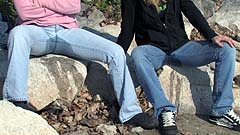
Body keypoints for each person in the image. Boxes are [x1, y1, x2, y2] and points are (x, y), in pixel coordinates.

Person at [2, 0, 159, 129]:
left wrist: (40, 2)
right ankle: (16, 100)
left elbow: (74, 6)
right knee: (18, 34)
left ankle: (131, 112)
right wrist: (58, 6)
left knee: (116, 51)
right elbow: (25, 12)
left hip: (68, 32)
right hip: (36, 32)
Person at [117, 0, 240, 134]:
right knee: (138, 54)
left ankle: (221, 111)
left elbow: (192, 13)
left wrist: (212, 36)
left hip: (182, 48)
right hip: (154, 50)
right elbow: (127, 30)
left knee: (226, 49)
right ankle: (165, 110)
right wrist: (116, 56)